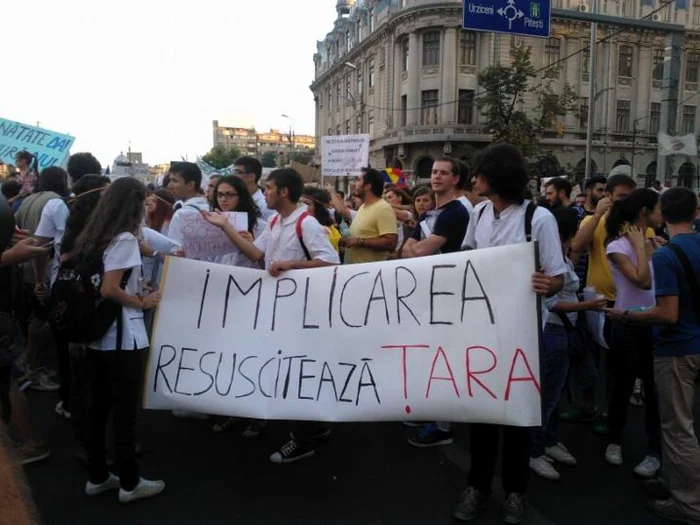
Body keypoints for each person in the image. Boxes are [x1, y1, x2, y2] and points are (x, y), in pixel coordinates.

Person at [456, 143, 568, 524]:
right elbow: (467, 261)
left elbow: (557, 277)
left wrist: (545, 284)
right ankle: (478, 486)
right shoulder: (480, 213)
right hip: (483, 335)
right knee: (483, 416)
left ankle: (516, 492)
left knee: (518, 421)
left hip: (522, 340)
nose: (474, 180)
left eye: (480, 174)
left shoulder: (538, 219)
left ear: (498, 178)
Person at [203, 168, 339, 464]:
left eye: (268, 188)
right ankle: (317, 426)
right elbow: (255, 254)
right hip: (282, 311)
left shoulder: (308, 223)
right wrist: (225, 227)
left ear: (284, 192)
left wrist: (289, 264)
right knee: (294, 371)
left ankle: (302, 440)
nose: (264, 193)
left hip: (303, 313)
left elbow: (331, 263)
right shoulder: (276, 221)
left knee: (296, 373)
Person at [604, 187, 700, 523]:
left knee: (672, 419)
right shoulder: (624, 247)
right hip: (667, 336)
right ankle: (675, 482)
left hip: (666, 336)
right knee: (628, 390)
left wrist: (647, 248)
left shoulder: (665, 251)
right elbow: (643, 283)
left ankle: (685, 497)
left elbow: (659, 301)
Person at [71, 177, 164, 503]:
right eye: (144, 200)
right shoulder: (124, 238)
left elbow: (112, 282)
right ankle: (129, 482)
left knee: (98, 409)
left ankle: (98, 476)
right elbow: (109, 288)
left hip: (100, 336)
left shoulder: (97, 234)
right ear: (134, 203)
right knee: (124, 413)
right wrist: (143, 302)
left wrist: (137, 290)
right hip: (123, 337)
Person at [529, 206, 606, 481]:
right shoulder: (547, 263)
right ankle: (535, 451)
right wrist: (588, 305)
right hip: (551, 330)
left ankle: (549, 441)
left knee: (556, 393)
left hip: (564, 332)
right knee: (545, 398)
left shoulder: (561, 258)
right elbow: (548, 301)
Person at [402, 157, 470, 447]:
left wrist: (414, 248)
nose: (436, 177)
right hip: (429, 294)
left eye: (444, 173)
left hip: (450, 296)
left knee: (445, 359)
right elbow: (407, 249)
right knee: (430, 356)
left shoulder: (456, 212)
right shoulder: (432, 211)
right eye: (433, 172)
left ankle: (443, 425)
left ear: (456, 179)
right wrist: (414, 248)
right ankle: (432, 413)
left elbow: (418, 251)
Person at [566, 174, 638, 428]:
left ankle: (610, 414)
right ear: (607, 196)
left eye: (630, 197)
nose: (626, 203)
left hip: (625, 305)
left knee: (616, 365)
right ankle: (586, 406)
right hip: (595, 301)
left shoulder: (638, 224)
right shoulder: (592, 220)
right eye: (621, 197)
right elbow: (577, 245)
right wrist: (597, 216)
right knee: (587, 356)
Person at [603, 189, 663, 476]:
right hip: (626, 323)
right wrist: (641, 247)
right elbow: (641, 281)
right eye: (657, 208)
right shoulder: (617, 247)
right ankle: (614, 439)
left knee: (654, 390)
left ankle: (654, 450)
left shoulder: (653, 241)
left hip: (653, 322)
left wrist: (652, 246)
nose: (660, 214)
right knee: (622, 386)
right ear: (643, 212)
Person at [59, 175, 111, 464]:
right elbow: (69, 261)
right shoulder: (87, 233)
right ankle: (90, 447)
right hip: (83, 313)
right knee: (87, 384)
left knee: (89, 383)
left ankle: (91, 443)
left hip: (82, 311)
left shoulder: (82, 227)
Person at [340, 169, 398, 264]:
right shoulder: (363, 207)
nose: (354, 184)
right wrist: (346, 241)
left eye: (358, 180)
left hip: (370, 273)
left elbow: (390, 243)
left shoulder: (383, 208)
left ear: (368, 186)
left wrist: (360, 241)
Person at [233, 156, 275, 220]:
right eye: (233, 172)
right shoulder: (235, 201)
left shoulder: (265, 206)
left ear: (251, 177)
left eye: (238, 172)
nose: (233, 176)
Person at [301, 187, 341, 253]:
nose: (303, 208)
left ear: (320, 207)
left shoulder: (326, 231)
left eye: (307, 204)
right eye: (300, 204)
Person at [383, 185, 413, 255]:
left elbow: (401, 215)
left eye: (390, 197)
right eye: (386, 198)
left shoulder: (409, 213)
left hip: (402, 253)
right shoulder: (385, 213)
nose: (387, 200)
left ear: (399, 198)